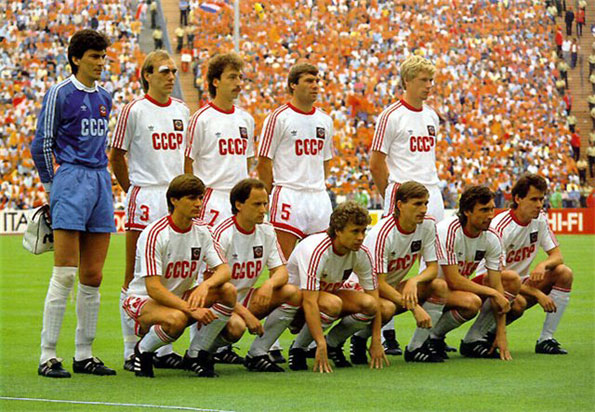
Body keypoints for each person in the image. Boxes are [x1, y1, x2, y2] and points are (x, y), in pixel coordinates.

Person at [31, 29, 116, 378]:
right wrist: (53, 187)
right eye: (94, 56)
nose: (100, 62)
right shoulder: (60, 93)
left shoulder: (106, 96)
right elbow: (41, 143)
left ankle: (84, 353)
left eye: (103, 56)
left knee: (93, 275)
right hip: (71, 178)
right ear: (76, 59)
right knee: (65, 273)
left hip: (100, 180)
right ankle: (47, 354)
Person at [110, 50, 190, 371]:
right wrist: (132, 190)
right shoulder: (134, 110)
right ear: (147, 75)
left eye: (173, 72)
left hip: (175, 198)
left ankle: (160, 347)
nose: (171, 77)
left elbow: (186, 156)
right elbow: (116, 155)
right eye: (164, 71)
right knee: (134, 275)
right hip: (146, 196)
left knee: (170, 274)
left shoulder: (182, 110)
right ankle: (130, 349)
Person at [122, 174, 236, 378]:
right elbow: (153, 288)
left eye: (200, 198)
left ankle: (196, 354)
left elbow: (224, 270)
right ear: (174, 200)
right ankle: (143, 351)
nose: (198, 204)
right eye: (192, 198)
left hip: (177, 299)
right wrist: (192, 310)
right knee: (177, 319)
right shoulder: (155, 234)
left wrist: (205, 286)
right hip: (142, 301)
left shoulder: (203, 231)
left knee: (227, 291)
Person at [369, 55, 444, 354]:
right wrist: (392, 194)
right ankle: (386, 332)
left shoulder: (432, 116)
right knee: (390, 260)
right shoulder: (391, 116)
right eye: (423, 80)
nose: (429, 85)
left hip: (432, 190)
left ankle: (428, 337)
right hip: (402, 191)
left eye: (431, 80)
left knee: (433, 263)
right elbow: (376, 162)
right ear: (407, 81)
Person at [204, 178, 301, 372]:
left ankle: (258, 353)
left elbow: (281, 271)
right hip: (217, 301)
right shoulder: (223, 233)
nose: (263, 210)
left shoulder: (266, 229)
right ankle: (203, 352)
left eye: (265, 204)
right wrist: (246, 314)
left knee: (293, 293)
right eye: (257, 204)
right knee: (237, 327)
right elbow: (211, 285)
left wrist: (269, 285)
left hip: (243, 298)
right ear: (238, 205)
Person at [348, 181, 448, 364]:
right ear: (400, 205)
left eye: (425, 203)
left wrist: (413, 281)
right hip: (361, 289)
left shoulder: (427, 224)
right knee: (386, 308)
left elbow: (433, 268)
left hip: (387, 288)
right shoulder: (383, 233)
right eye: (417, 204)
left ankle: (416, 348)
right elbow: (377, 283)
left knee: (439, 286)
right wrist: (414, 308)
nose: (423, 209)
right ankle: (351, 340)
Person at [286, 201, 387, 372]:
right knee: (332, 304)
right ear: (338, 231)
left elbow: (374, 296)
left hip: (324, 298)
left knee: (371, 305)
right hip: (294, 302)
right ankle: (298, 349)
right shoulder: (317, 249)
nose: (361, 237)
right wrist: (319, 343)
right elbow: (309, 301)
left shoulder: (361, 252)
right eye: (355, 231)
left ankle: (333, 344)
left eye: (363, 231)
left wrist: (376, 339)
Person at [482, 174, 572, 354]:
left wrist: (543, 265)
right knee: (518, 303)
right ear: (518, 199)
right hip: (492, 284)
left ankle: (546, 339)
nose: (539, 204)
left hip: (519, 283)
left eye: (541, 199)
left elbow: (557, 256)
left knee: (564, 273)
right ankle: (484, 336)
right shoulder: (501, 227)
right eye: (534, 199)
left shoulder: (540, 219)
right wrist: (538, 294)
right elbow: (497, 277)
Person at [427, 186, 519, 361]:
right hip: (432, 289)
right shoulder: (448, 230)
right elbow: (453, 280)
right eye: (484, 210)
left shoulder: (492, 236)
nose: (490, 215)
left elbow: (497, 284)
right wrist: (492, 293)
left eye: (492, 209)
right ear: (467, 211)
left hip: (457, 290)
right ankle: (432, 337)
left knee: (510, 280)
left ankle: (475, 339)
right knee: (471, 302)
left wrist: (501, 332)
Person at [256, 62, 334, 260]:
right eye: (309, 81)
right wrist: (270, 193)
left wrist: (316, 183)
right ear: (293, 85)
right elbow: (264, 161)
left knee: (319, 262)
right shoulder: (278, 118)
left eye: (317, 81)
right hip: (288, 193)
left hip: (318, 196)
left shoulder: (325, 120)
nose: (315, 85)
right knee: (283, 261)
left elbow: (326, 160)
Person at [184, 52, 254, 228]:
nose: (238, 83)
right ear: (216, 82)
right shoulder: (201, 119)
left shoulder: (246, 119)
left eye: (240, 77)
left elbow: (247, 159)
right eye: (232, 77)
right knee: (210, 246)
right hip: (212, 198)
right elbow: (187, 162)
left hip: (240, 200)